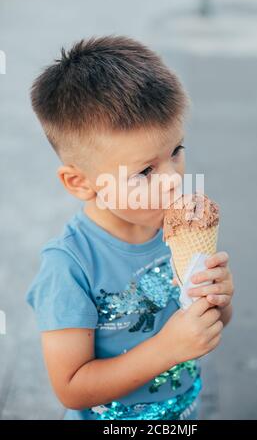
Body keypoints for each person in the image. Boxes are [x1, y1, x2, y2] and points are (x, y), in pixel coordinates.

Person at [26, 35, 234, 420]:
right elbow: (71, 388)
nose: (173, 179)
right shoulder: (70, 266)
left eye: (176, 151)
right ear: (80, 183)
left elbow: (208, 324)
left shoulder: (175, 230)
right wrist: (168, 349)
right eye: (145, 171)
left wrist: (219, 302)